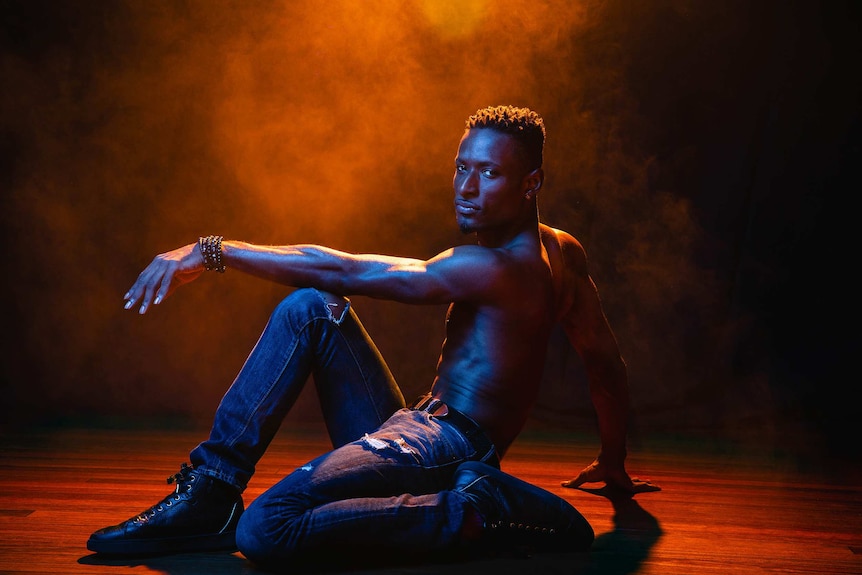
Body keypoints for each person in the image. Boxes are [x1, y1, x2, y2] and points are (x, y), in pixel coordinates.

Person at [87, 105, 658, 568]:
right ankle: (211, 493)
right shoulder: (563, 251)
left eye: (490, 173)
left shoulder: (491, 268)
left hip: (445, 449)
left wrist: (213, 250)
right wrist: (613, 459)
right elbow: (605, 363)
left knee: (266, 529)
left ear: (531, 183)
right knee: (312, 309)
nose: (466, 186)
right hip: (419, 427)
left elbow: (348, 270)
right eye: (462, 166)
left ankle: (473, 506)